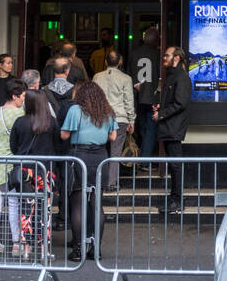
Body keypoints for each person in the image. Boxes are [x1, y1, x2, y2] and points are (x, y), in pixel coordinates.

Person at [61, 81, 118, 261]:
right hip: (100, 156)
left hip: (79, 155)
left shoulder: (75, 110)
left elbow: (65, 134)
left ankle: (78, 249)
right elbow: (113, 136)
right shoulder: (107, 111)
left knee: (78, 203)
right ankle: (97, 249)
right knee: (97, 204)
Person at [11, 88, 63, 258]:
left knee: (25, 209)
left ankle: (26, 249)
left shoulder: (20, 122)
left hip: (25, 170)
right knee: (44, 210)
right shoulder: (52, 123)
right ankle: (44, 250)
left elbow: (14, 147)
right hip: (46, 171)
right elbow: (58, 146)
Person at [0, 78, 27, 257]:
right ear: (14, 96)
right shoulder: (21, 114)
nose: (24, 99)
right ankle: (16, 243)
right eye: (22, 96)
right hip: (12, 161)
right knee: (13, 203)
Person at [154, 46, 191, 214]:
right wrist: (161, 107)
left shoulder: (181, 77)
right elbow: (174, 101)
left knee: (175, 165)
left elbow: (180, 103)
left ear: (176, 58)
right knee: (174, 164)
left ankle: (177, 201)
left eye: (167, 55)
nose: (164, 58)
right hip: (170, 126)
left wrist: (161, 114)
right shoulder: (173, 76)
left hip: (173, 127)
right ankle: (175, 199)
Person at [93, 50, 135, 189]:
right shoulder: (126, 78)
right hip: (119, 118)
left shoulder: (97, 77)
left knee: (99, 150)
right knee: (115, 151)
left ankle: (98, 181)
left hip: (101, 117)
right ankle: (111, 182)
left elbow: (93, 99)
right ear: (120, 62)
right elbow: (128, 100)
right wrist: (131, 120)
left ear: (105, 62)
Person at [130, 26, 161, 158]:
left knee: (141, 128)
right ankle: (145, 160)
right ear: (157, 41)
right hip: (153, 98)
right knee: (151, 130)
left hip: (137, 97)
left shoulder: (134, 53)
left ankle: (140, 154)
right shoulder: (159, 55)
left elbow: (130, 75)